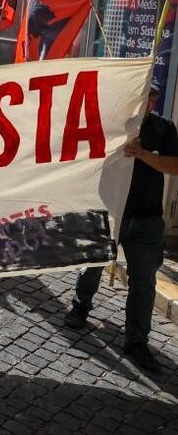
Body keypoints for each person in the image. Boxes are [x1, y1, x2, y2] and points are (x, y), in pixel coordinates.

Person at [63, 85, 178, 373]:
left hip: (146, 218)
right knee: (93, 264)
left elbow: (174, 166)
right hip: (109, 211)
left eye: (150, 97)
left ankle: (137, 340)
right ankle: (80, 306)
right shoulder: (111, 123)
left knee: (144, 281)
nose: (145, 101)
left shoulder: (164, 128)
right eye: (141, 95)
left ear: (154, 100)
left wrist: (142, 154)